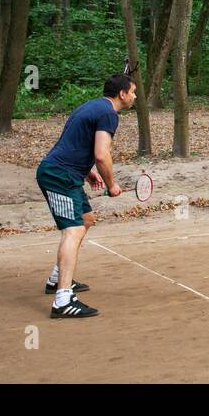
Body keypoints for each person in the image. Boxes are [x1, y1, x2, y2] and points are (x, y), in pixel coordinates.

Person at [36, 72, 136, 318]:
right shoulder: (109, 114)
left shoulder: (92, 106)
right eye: (133, 92)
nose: (134, 96)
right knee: (74, 230)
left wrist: (88, 172)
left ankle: (57, 279)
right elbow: (102, 154)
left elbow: (75, 142)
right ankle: (63, 301)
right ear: (122, 94)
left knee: (86, 219)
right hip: (58, 176)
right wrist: (111, 184)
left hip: (68, 174)